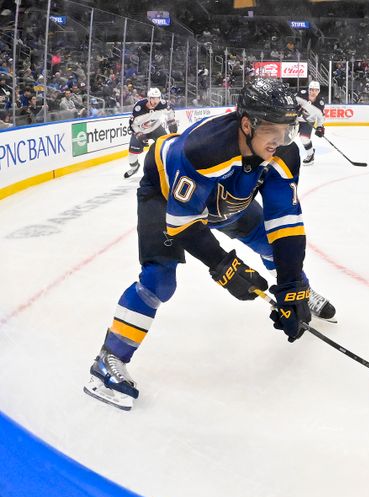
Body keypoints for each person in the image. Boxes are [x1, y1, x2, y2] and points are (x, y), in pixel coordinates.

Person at [84, 79, 335, 411]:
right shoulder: (204, 149)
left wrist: (292, 287)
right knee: (160, 280)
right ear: (247, 124)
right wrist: (224, 266)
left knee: (277, 250)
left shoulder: (282, 152)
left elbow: (285, 223)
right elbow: (183, 223)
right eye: (274, 131)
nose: (283, 140)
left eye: (288, 130)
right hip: (165, 195)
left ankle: (301, 285)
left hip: (228, 199)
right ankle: (108, 360)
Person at [124, 87, 178, 179]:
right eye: (153, 98)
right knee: (132, 154)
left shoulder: (162, 104)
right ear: (148, 98)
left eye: (157, 98)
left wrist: (171, 121)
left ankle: (170, 166)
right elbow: (132, 124)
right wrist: (139, 134)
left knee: (167, 146)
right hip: (141, 131)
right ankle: (134, 167)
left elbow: (170, 112)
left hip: (156, 128)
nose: (155, 101)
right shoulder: (139, 108)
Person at [296, 80, 325, 165]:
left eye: (316, 90)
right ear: (308, 90)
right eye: (312, 90)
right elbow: (291, 102)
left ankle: (310, 154)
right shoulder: (301, 94)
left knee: (304, 138)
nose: (313, 92)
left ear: (319, 91)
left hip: (308, 122)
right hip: (295, 119)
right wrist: (295, 108)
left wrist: (320, 127)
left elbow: (320, 116)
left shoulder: (320, 102)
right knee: (285, 137)